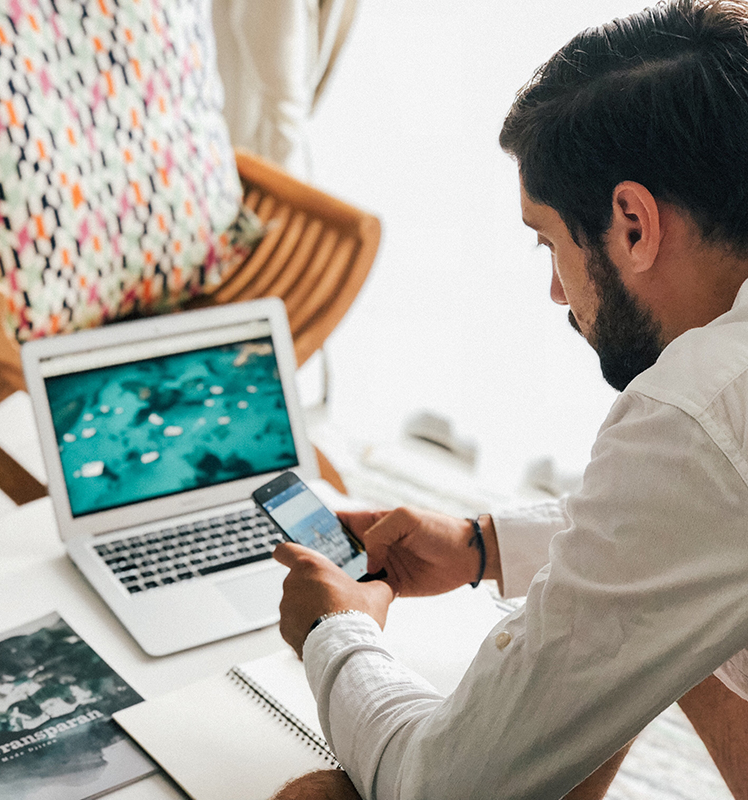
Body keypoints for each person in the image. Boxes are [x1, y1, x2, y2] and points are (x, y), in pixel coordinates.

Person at [273, 0, 748, 797]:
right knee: (621, 631)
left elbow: (442, 785)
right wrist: (482, 545)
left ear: (632, 224)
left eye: (550, 241)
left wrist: (335, 630)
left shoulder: (699, 406)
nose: (557, 290)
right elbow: (693, 519)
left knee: (318, 795)